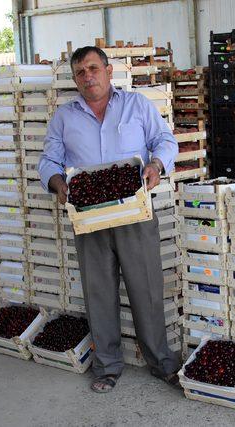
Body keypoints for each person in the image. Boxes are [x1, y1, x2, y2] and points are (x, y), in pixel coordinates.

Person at [38, 46, 180, 392]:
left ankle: (162, 362)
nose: (88, 77)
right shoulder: (64, 117)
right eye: (80, 73)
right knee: (99, 292)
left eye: (93, 69)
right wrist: (58, 184)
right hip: (89, 216)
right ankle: (107, 366)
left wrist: (156, 165)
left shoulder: (136, 105)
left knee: (146, 289)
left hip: (134, 212)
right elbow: (49, 161)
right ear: (74, 79)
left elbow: (165, 140)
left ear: (108, 70)